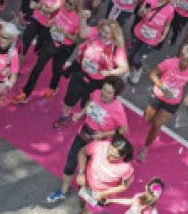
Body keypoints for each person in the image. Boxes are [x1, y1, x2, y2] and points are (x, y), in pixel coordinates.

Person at [46, 76, 128, 204]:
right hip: (83, 134)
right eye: (104, 90)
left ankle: (86, 197)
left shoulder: (118, 110)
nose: (104, 94)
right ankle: (63, 190)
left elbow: (123, 129)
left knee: (90, 172)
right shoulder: (96, 94)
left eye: (109, 92)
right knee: (70, 162)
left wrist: (104, 134)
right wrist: (81, 113)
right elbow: (90, 103)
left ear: (115, 95)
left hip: (99, 144)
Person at [14, 0, 89, 104]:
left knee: (57, 69)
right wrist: (52, 22)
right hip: (52, 41)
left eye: (71, 5)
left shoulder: (79, 18)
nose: (68, 6)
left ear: (77, 5)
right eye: (67, 3)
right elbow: (56, 19)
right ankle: (26, 93)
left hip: (65, 48)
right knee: (38, 67)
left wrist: (64, 32)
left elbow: (77, 39)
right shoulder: (62, 7)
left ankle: (53, 87)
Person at [53, 19, 128, 130]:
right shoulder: (95, 33)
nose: (102, 34)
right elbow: (82, 33)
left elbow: (124, 68)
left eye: (107, 33)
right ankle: (64, 116)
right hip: (80, 72)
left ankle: (86, 118)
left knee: (88, 102)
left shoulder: (116, 48)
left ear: (113, 34)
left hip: (97, 82)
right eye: (102, 30)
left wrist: (109, 72)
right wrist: (83, 17)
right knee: (70, 96)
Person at [137, 44, 188, 162]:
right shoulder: (169, 63)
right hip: (158, 95)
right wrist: (163, 88)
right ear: (180, 56)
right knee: (147, 117)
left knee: (156, 125)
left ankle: (145, 148)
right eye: (184, 60)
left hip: (172, 102)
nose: (185, 64)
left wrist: (187, 96)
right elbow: (153, 74)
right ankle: (152, 122)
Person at [126, 0, 175, 84]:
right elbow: (139, 14)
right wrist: (143, 13)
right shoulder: (150, 1)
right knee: (131, 53)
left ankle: (137, 70)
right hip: (139, 32)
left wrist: (163, 36)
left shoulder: (170, 10)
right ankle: (129, 71)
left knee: (137, 57)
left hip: (152, 39)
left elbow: (167, 25)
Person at [75, 135, 135, 213]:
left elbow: (124, 185)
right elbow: (82, 152)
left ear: (123, 156)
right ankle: (83, 208)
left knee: (90, 211)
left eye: (113, 156)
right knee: (82, 201)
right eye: (108, 151)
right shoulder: (99, 145)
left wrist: (103, 193)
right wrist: (81, 172)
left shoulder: (126, 167)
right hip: (84, 185)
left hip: (101, 196)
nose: (107, 156)